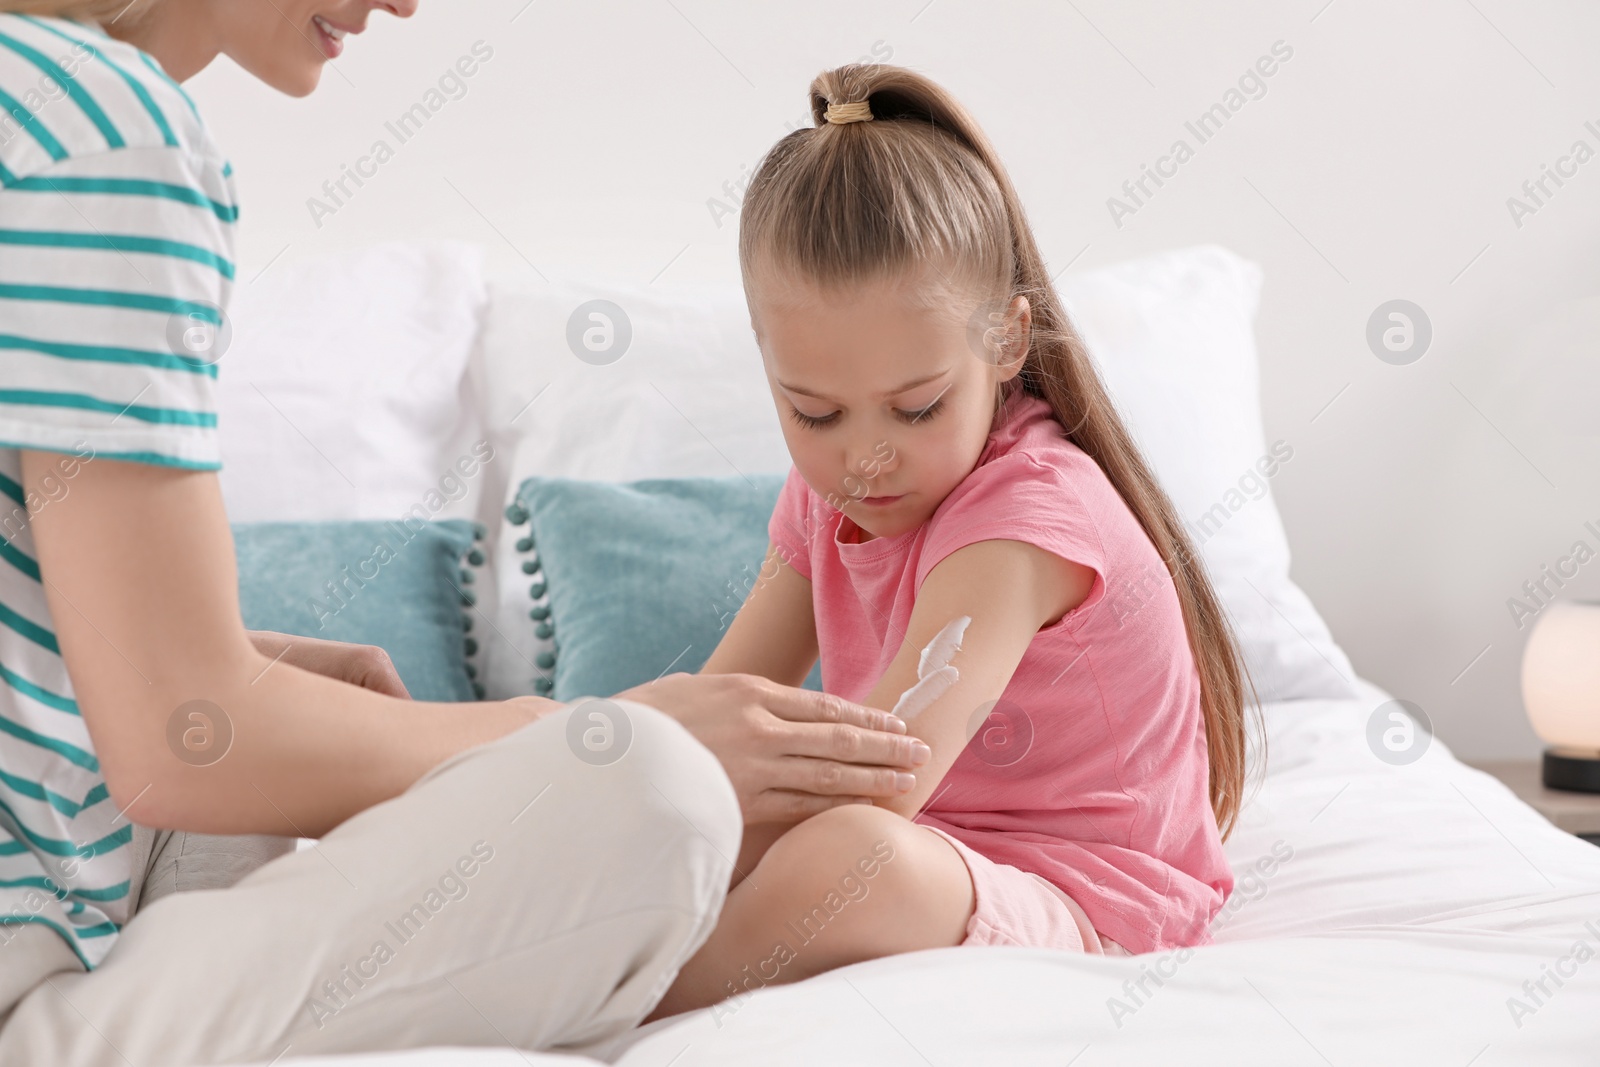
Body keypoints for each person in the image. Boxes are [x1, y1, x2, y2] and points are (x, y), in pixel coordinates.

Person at [0, 4, 932, 1062]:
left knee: (316, 771)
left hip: (85, 869)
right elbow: (184, 736)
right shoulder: (107, 138)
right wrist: (586, 725)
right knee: (654, 793)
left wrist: (247, 661)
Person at [647, 63, 1262, 1020]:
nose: (864, 458)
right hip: (933, 845)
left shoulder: (1024, 521)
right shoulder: (829, 499)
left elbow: (877, 784)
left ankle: (594, 1009)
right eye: (814, 414)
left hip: (1082, 891)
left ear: (1009, 342)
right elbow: (731, 702)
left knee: (850, 857)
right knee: (681, 801)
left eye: (917, 405)